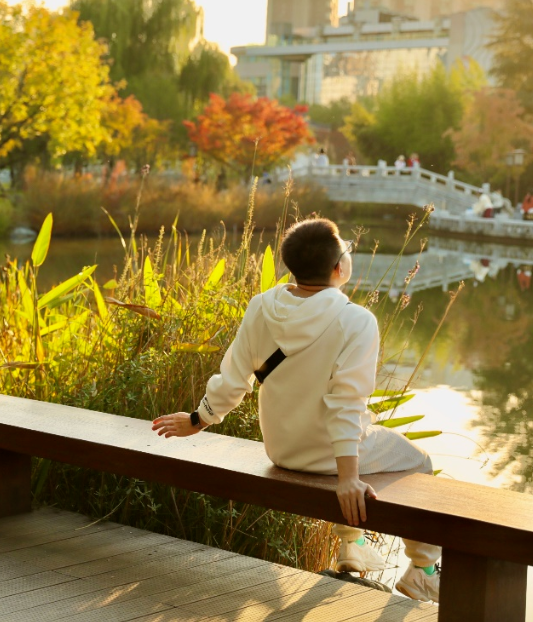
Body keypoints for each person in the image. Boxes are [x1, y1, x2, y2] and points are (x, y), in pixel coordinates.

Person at [152, 218, 441, 602]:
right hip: (326, 456)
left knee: (366, 439)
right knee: (419, 460)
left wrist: (197, 419)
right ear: (340, 268)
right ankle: (423, 569)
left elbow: (234, 378)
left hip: (281, 449)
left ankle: (352, 543)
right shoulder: (356, 320)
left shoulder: (261, 306)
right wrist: (348, 478)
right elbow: (346, 406)